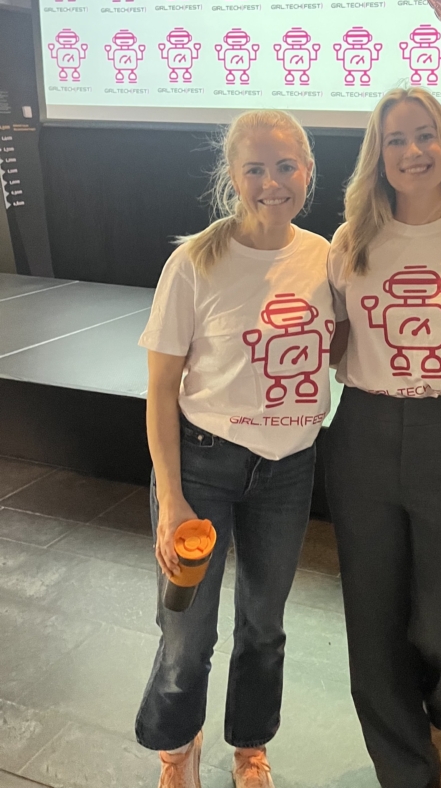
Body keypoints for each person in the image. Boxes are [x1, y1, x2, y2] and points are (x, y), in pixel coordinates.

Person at [135, 110, 334, 788]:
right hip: (202, 465)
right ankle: (177, 741)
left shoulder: (327, 259)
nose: (271, 182)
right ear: (233, 176)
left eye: (285, 166)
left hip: (290, 469)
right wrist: (170, 501)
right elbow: (160, 389)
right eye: (255, 168)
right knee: (186, 631)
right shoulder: (194, 261)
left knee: (264, 625)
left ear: (308, 168)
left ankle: (250, 745)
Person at [326, 87, 441, 788]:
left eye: (424, 135)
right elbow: (331, 334)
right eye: (396, 139)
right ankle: (404, 767)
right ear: (379, 156)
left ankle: (437, 682)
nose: (412, 151)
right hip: (364, 431)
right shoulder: (353, 241)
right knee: (372, 618)